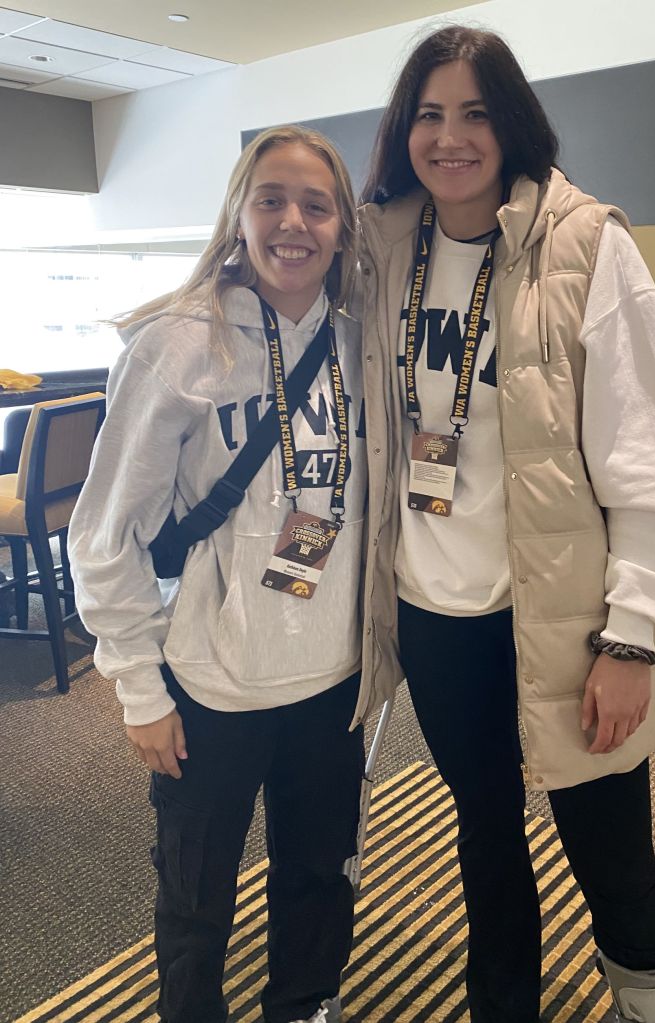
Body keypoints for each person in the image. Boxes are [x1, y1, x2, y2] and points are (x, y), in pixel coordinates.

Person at [356, 25, 655, 1023]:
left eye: (474, 110)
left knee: (607, 845)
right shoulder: (384, 243)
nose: (450, 135)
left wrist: (631, 634)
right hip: (436, 611)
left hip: (560, 616)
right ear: (403, 129)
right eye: (428, 112)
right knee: (483, 831)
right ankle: (501, 1001)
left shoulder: (587, 247)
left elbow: (654, 457)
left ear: (511, 123)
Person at [68, 125, 390, 1023]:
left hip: (332, 682)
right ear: (239, 215)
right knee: (196, 889)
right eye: (272, 200)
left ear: (342, 226)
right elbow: (102, 536)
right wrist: (139, 687)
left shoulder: (363, 343)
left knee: (320, 874)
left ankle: (303, 1003)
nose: (295, 222)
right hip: (208, 681)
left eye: (317, 205)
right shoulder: (175, 343)